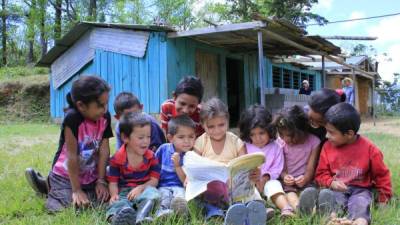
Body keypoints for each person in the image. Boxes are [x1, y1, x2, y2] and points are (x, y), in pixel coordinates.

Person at [26, 76, 113, 212]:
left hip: (91, 175)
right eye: (100, 105)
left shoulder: (104, 117)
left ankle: (47, 185)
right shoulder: (73, 119)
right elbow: (71, 156)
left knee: (106, 199)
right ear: (81, 105)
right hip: (66, 176)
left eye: (106, 104)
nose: (104, 109)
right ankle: (50, 187)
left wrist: (101, 181)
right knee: (73, 206)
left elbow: (104, 151)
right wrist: (77, 190)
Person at [316, 103, 392, 225]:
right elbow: (320, 174)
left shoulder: (370, 150)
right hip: (337, 190)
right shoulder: (327, 147)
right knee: (333, 200)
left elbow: (382, 176)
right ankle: (331, 219)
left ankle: (359, 222)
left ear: (349, 134)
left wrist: (383, 201)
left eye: (331, 132)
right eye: (326, 131)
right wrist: (331, 183)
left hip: (361, 190)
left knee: (361, 203)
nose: (326, 136)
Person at [195, 97, 266, 225]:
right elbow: (194, 164)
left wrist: (254, 173)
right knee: (206, 199)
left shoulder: (235, 141)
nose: (217, 130)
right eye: (211, 126)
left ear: (227, 120)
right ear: (202, 125)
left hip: (234, 187)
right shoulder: (202, 141)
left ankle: (254, 210)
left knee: (252, 193)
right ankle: (218, 214)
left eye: (221, 125)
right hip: (212, 189)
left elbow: (244, 164)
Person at [239, 105, 293, 218]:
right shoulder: (244, 146)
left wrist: (265, 178)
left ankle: (286, 208)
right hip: (251, 182)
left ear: (270, 130)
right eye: (252, 134)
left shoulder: (276, 146)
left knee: (275, 185)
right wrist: (253, 180)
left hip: (268, 180)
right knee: (247, 190)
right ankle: (262, 209)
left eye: (261, 133)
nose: (257, 138)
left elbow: (277, 168)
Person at [106, 112, 161, 225]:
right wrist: (113, 195)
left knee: (153, 194)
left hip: (144, 188)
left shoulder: (151, 157)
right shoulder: (116, 159)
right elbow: (113, 182)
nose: (146, 141)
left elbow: (154, 181)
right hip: (124, 192)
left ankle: (142, 216)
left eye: (148, 137)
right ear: (125, 137)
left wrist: (141, 188)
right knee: (117, 203)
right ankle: (117, 218)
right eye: (141, 137)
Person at [273, 105, 323, 215]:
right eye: (281, 134)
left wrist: (305, 178)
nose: (286, 139)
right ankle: (299, 209)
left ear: (302, 130)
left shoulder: (314, 142)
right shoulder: (280, 143)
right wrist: (285, 176)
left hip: (306, 181)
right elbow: (281, 167)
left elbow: (311, 167)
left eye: (290, 135)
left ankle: (314, 208)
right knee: (290, 193)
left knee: (311, 191)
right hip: (288, 183)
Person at [154, 115, 196, 218]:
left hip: (179, 186)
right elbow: (153, 168)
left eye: (191, 137)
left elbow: (184, 182)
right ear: (170, 138)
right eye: (181, 137)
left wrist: (177, 166)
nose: (187, 141)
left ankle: (181, 213)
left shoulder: (190, 156)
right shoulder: (163, 149)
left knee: (180, 197)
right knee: (163, 197)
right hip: (163, 186)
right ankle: (162, 213)